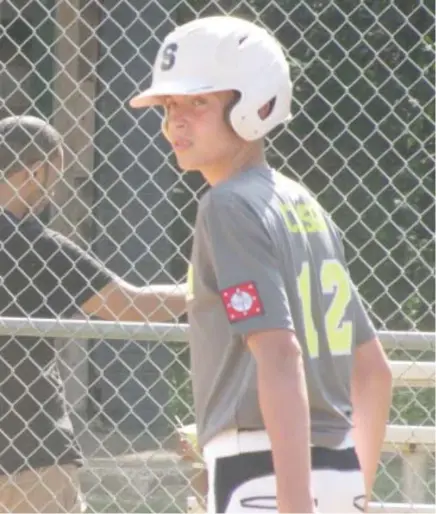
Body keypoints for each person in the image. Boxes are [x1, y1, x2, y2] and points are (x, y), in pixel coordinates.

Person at [129, 15, 393, 514]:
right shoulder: (305, 204)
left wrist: (294, 502)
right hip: (337, 468)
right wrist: (357, 489)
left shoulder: (227, 206)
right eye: (168, 105)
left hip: (262, 469)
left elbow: (278, 353)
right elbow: (374, 372)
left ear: (257, 103)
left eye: (198, 102)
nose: (175, 121)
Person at [0, 115, 186, 513]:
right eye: (54, 175)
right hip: (29, 447)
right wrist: (207, 288)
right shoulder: (37, 247)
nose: (53, 190)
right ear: (35, 170)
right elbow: (131, 305)